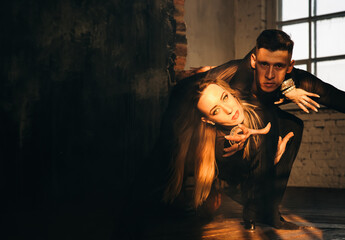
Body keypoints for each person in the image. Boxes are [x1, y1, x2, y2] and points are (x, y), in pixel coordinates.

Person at [201, 29, 345, 230]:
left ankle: (267, 211)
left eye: (278, 66)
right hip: (224, 141)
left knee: (292, 126)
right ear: (253, 60)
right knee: (262, 121)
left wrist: (287, 87)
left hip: (258, 128)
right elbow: (197, 100)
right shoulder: (238, 77)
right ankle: (248, 204)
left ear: (289, 67)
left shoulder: (297, 81)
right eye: (263, 65)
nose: (269, 75)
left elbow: (335, 97)